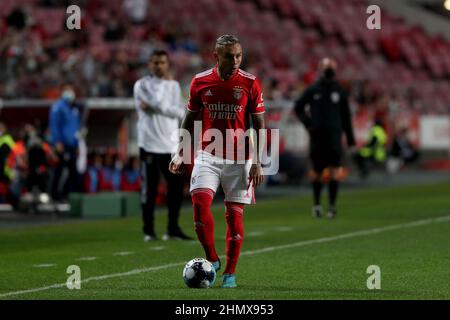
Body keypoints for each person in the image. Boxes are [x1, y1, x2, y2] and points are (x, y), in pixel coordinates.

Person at [169, 35, 266, 288]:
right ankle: (212, 258)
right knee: (199, 206)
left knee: (234, 219)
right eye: (229, 56)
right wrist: (180, 151)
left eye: (238, 56)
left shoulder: (250, 83)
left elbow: (259, 124)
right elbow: (189, 119)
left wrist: (258, 161)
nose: (234, 61)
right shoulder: (200, 81)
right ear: (216, 55)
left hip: (240, 159)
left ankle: (230, 274)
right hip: (207, 154)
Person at [133, 49, 191, 242]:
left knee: (175, 189)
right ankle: (148, 231)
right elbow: (159, 105)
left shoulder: (174, 86)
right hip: (149, 144)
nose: (159, 66)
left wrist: (156, 107)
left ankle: (172, 229)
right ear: (149, 64)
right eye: (155, 62)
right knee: (149, 190)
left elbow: (179, 112)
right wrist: (164, 107)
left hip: (170, 145)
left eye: (162, 62)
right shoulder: (141, 84)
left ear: (167, 64)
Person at [294, 57, 355, 219]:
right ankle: (317, 205)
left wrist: (351, 140)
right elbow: (298, 108)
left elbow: (346, 117)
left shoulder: (339, 91)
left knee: (335, 172)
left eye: (330, 68)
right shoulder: (313, 90)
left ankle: (332, 206)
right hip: (318, 138)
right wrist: (308, 124)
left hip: (334, 138)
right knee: (317, 172)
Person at [48, 83, 84, 202]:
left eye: (71, 89)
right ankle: (55, 195)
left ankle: (68, 194)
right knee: (60, 171)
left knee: (72, 171)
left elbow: (76, 128)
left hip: (72, 145)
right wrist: (57, 142)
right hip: (62, 145)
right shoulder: (58, 107)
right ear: (62, 91)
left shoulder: (73, 109)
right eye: (67, 90)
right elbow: (54, 126)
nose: (70, 92)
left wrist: (77, 144)